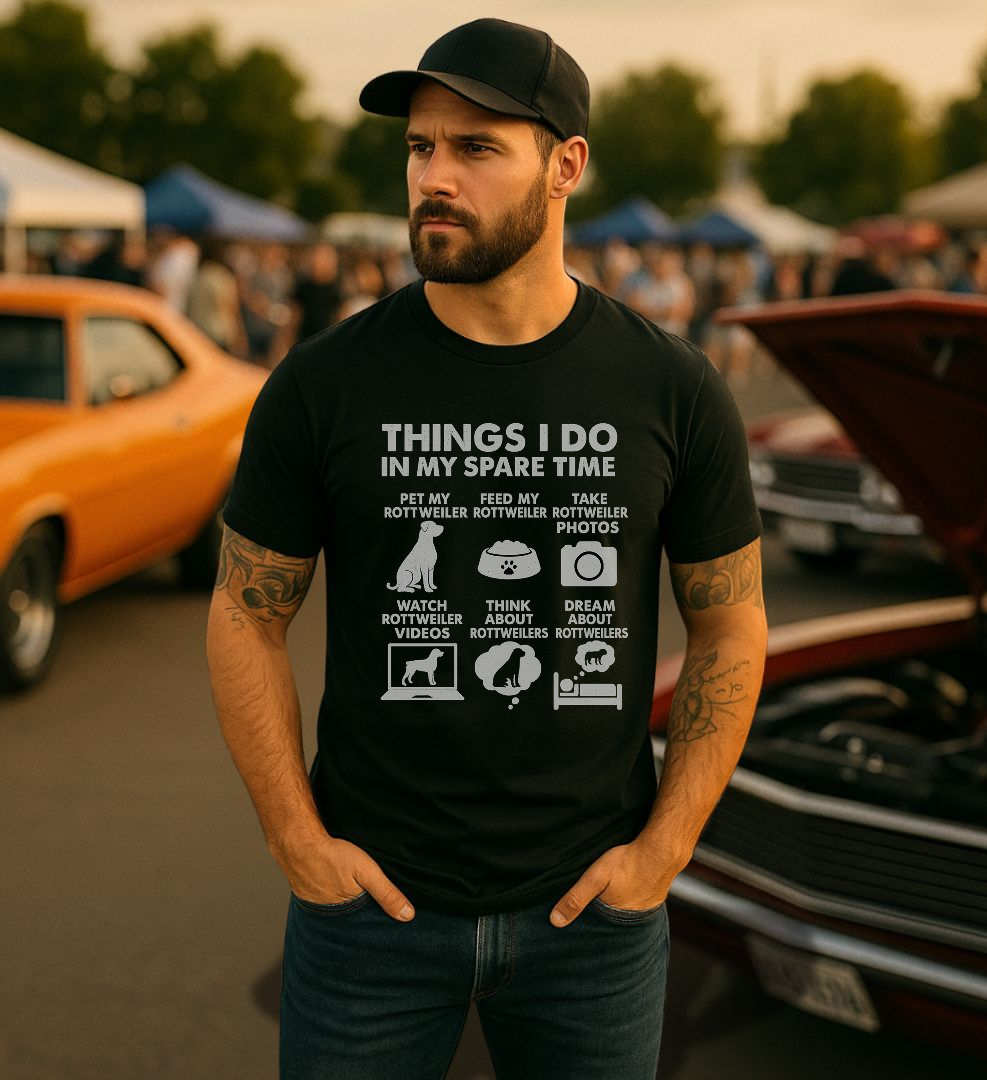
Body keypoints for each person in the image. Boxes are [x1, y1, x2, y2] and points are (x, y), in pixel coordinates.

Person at [206, 17, 767, 1080]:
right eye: (420, 146)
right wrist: (294, 837)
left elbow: (731, 619)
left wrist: (666, 850)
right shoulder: (326, 385)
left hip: (591, 923)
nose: (433, 176)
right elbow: (246, 609)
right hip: (368, 914)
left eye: (476, 148)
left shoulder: (672, 387)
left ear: (567, 167)